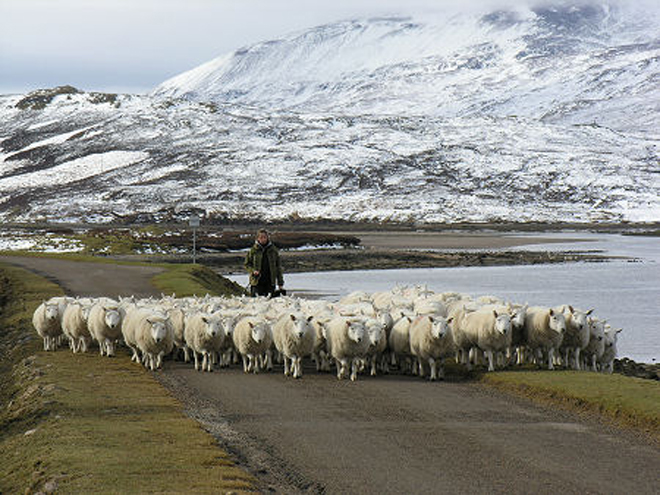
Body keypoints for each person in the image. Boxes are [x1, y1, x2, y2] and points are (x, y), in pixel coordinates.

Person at [244, 229, 284, 297]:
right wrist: (253, 271)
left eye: (264, 237)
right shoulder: (253, 251)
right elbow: (247, 264)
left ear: (267, 238)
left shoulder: (273, 250)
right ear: (258, 238)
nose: (263, 239)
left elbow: (278, 267)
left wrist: (280, 283)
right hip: (256, 282)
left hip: (270, 282)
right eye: (261, 237)